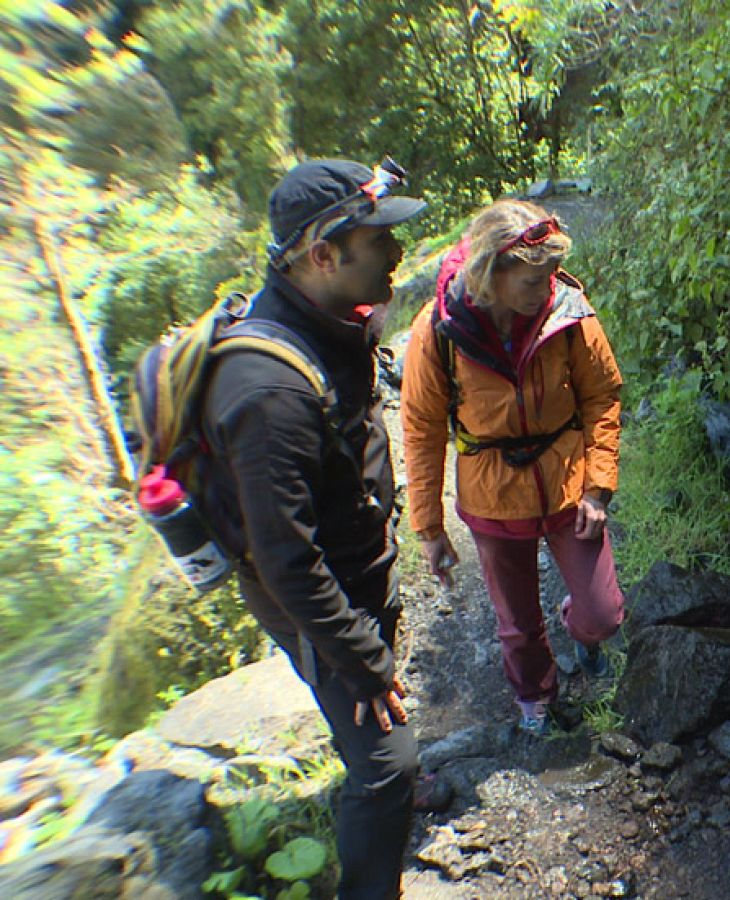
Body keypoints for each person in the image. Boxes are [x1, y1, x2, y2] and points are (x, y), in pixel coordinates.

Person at [198, 158, 424, 900]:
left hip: (358, 564)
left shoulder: (331, 320)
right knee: (388, 763)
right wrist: (363, 659)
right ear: (323, 255)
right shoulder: (265, 392)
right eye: (378, 240)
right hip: (318, 593)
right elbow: (288, 563)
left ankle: (374, 769)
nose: (396, 252)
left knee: (376, 725)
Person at [400, 199, 625, 735]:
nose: (547, 288)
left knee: (603, 615)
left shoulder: (568, 311)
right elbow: (422, 429)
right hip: (492, 496)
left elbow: (602, 395)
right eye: (532, 280)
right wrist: (429, 527)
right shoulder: (438, 330)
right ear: (491, 275)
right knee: (517, 624)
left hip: (568, 482)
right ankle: (535, 698)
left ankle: (580, 632)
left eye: (551, 275)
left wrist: (597, 487)